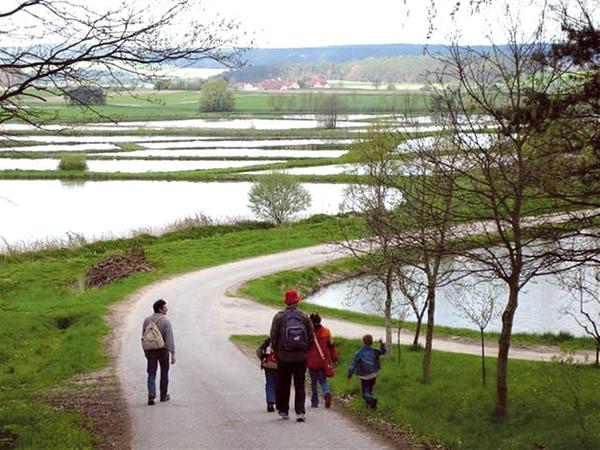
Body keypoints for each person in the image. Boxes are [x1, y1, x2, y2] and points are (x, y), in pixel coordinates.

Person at [270, 289, 315, 422]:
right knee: (300, 384)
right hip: (301, 357)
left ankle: (284, 410)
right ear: (297, 301)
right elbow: (311, 337)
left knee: (284, 383)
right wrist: (305, 350)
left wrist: (278, 351)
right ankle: (300, 412)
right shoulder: (304, 316)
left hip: (284, 356)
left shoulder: (279, 317)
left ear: (286, 301)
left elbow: (273, 336)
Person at [142, 299, 176, 405]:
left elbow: (144, 337)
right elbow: (169, 338)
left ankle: (151, 394)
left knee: (151, 373)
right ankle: (163, 395)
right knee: (164, 373)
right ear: (160, 309)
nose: (166, 309)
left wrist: (145, 351)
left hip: (151, 351)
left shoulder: (147, 320)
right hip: (163, 350)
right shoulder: (166, 321)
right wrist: (173, 353)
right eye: (165, 307)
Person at [306, 313, 338, 409]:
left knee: (314, 382)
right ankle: (326, 392)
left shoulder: (308, 333)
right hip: (323, 361)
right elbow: (331, 346)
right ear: (320, 321)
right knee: (323, 381)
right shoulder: (326, 331)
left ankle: (314, 402)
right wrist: (335, 359)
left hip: (311, 362)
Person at [347, 334, 386, 409]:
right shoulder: (375, 351)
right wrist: (382, 343)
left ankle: (372, 399)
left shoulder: (359, 353)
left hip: (364, 375)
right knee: (370, 389)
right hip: (374, 373)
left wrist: (350, 374)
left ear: (363, 342)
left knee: (365, 392)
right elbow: (383, 352)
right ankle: (370, 405)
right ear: (371, 342)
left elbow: (353, 365)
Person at [256, 337, 278, 412]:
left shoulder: (268, 340)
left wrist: (262, 358)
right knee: (279, 384)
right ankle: (279, 402)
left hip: (268, 365)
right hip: (280, 366)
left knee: (270, 384)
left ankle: (270, 402)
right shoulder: (283, 339)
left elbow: (258, 350)